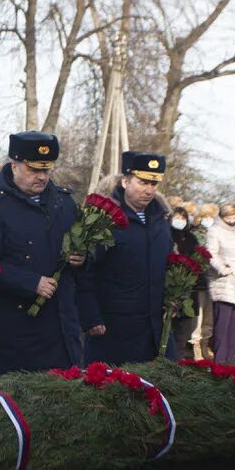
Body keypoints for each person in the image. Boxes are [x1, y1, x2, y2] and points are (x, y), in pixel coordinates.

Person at [0, 131, 82, 374]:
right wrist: (30, 283)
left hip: (61, 326)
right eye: (33, 170)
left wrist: (83, 257)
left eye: (47, 170)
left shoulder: (65, 204)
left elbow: (85, 254)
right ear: (15, 165)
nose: (42, 177)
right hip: (17, 328)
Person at [78, 151, 174, 365]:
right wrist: (91, 316)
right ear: (125, 181)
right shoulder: (104, 220)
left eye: (154, 184)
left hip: (155, 329)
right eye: (142, 182)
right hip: (115, 328)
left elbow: (168, 265)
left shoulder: (161, 219)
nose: (149, 190)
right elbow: (86, 273)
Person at [205, 204, 235, 363]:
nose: (232, 220)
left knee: (234, 325)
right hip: (223, 280)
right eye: (228, 218)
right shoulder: (214, 230)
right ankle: (220, 360)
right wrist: (222, 268)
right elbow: (211, 254)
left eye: (234, 217)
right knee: (222, 325)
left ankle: (230, 359)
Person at [170, 206, 203, 358]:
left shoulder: (191, 237)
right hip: (170, 285)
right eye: (177, 217)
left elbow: (198, 259)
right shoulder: (166, 235)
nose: (180, 221)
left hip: (189, 287)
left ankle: (180, 355)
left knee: (185, 328)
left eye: (183, 218)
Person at [189, 202, 219, 360]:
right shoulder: (195, 234)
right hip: (198, 281)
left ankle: (205, 344)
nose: (209, 219)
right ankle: (195, 346)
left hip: (212, 281)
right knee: (197, 317)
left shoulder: (216, 232)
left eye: (212, 216)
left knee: (209, 317)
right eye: (206, 216)